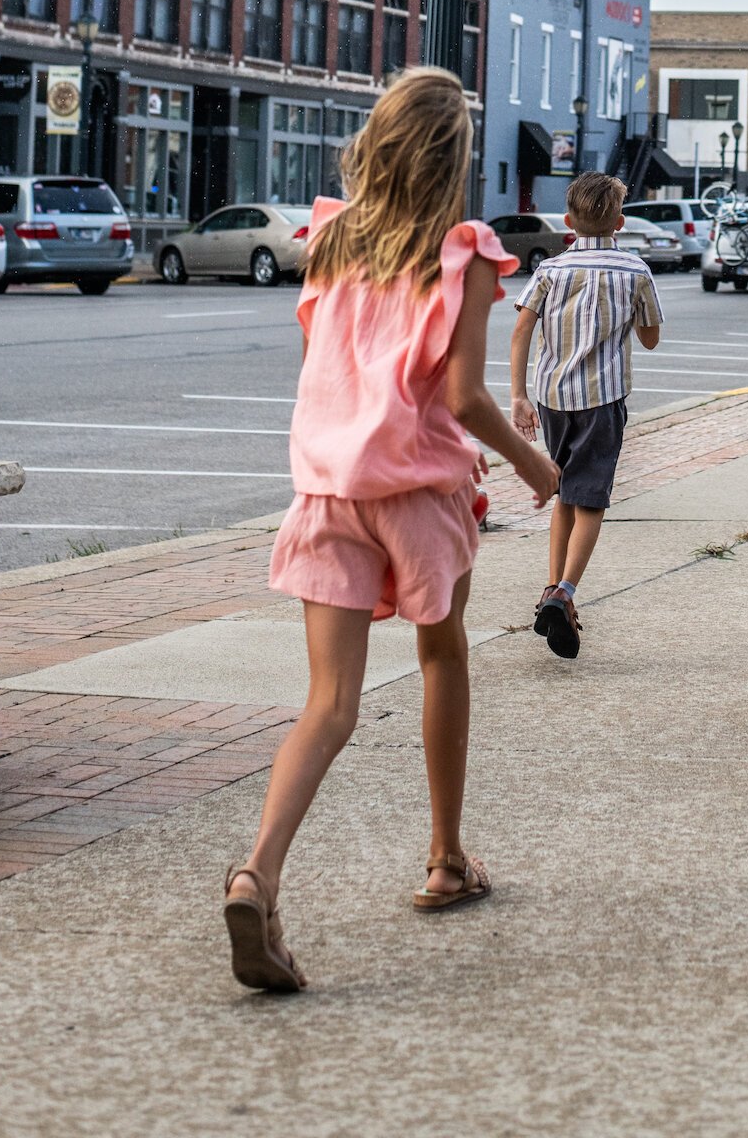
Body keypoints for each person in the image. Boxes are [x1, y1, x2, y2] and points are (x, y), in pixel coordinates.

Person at [222, 69, 560, 992]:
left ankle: (259, 873)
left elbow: (324, 371)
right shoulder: (463, 255)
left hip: (327, 493)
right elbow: (461, 396)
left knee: (328, 703)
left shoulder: (327, 241)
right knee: (442, 655)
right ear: (453, 162)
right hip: (416, 496)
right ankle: (446, 860)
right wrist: (533, 465)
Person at [510, 171, 663, 657]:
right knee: (591, 499)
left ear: (567, 221)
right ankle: (567, 591)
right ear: (620, 221)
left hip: (552, 396)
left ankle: (550, 586)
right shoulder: (635, 270)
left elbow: (521, 335)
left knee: (564, 493)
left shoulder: (550, 271)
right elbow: (650, 336)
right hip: (603, 398)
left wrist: (518, 396)